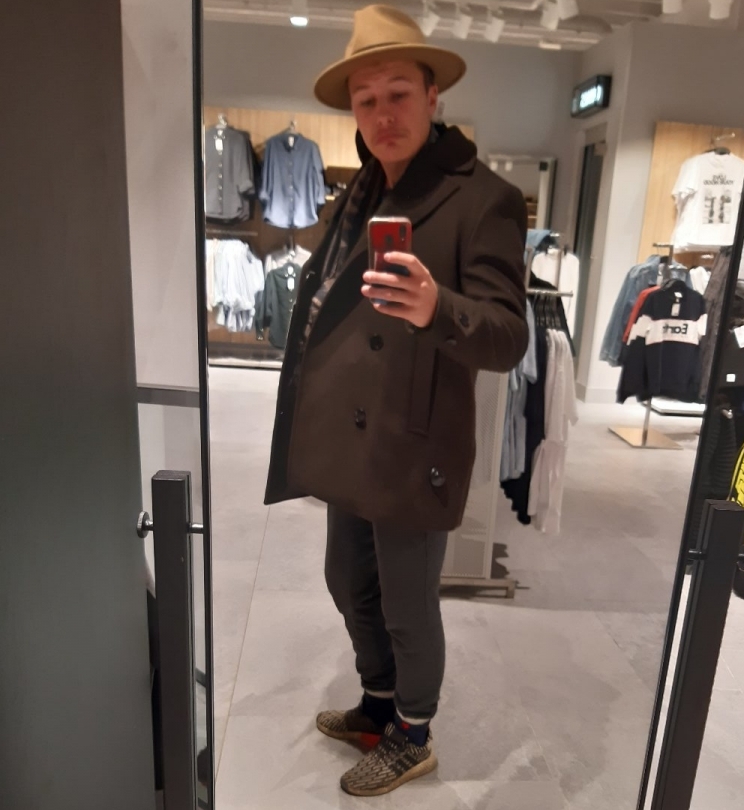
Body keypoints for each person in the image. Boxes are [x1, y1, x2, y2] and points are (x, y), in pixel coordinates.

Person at [263, 4, 529, 797]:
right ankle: (378, 704)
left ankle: (413, 733)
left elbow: (508, 337)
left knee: (408, 602)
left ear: (433, 95)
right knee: (348, 580)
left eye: (398, 95)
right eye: (367, 99)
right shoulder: (362, 188)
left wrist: (437, 307)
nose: (383, 114)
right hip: (351, 432)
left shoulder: (485, 197)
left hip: (414, 436)